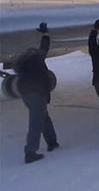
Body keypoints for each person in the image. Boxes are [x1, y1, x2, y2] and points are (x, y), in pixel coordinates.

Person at [14, 23, 59, 164]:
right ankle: (30, 152)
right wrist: (45, 34)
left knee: (43, 117)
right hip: (36, 92)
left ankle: (52, 142)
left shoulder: (22, 64)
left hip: (26, 93)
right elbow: (44, 47)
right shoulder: (37, 59)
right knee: (36, 122)